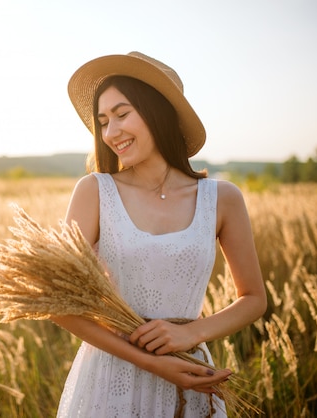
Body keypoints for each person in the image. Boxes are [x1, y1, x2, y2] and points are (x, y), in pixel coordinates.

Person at [51, 51, 267, 417]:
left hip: (190, 375)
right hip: (108, 382)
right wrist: (151, 363)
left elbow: (254, 298)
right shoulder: (94, 191)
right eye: (103, 121)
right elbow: (57, 303)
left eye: (122, 114)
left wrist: (192, 333)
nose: (111, 132)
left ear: (159, 112)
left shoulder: (223, 199)